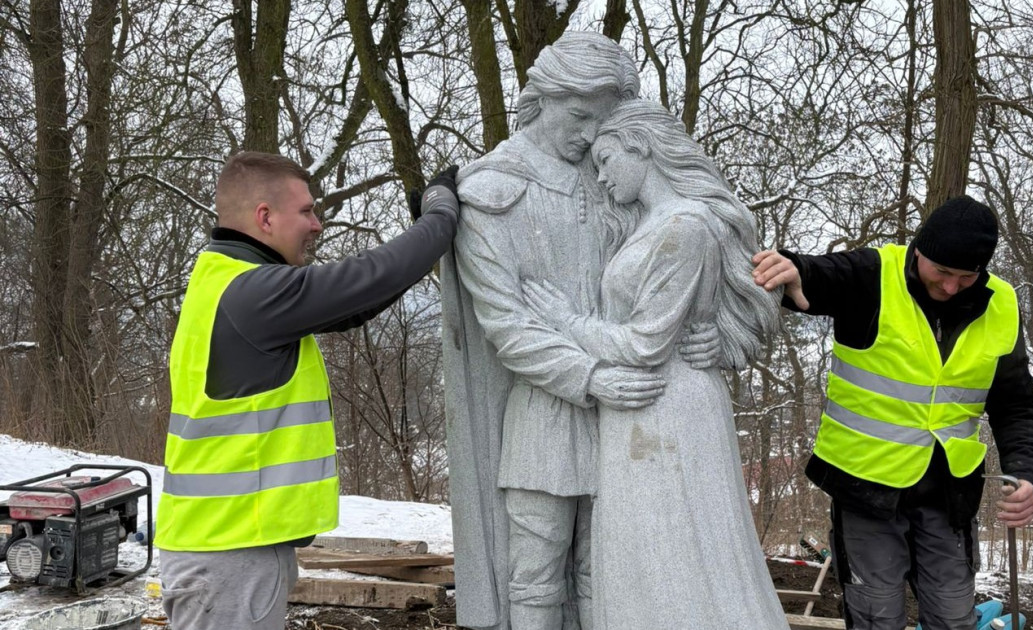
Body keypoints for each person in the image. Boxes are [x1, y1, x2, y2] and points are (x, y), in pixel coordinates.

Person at [442, 32, 717, 630]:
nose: (593, 135)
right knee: (536, 579)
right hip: (548, 412)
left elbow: (678, 268)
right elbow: (507, 327)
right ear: (542, 98)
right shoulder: (490, 194)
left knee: (614, 573)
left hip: (636, 418)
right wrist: (591, 377)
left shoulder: (618, 180)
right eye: (580, 115)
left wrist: (712, 334)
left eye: (604, 121)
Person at [156, 151, 459, 630]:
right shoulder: (251, 294)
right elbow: (369, 276)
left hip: (226, 547)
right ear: (264, 217)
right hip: (229, 556)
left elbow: (357, 303)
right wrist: (442, 214)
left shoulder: (225, 283)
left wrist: (425, 234)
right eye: (306, 211)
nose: (317, 224)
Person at [520, 100, 788, 630]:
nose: (600, 175)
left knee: (678, 548)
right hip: (642, 409)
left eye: (606, 159)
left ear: (640, 148)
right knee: (647, 549)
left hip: (669, 410)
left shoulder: (683, 227)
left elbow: (646, 345)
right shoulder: (650, 224)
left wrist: (565, 321)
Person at [751, 196, 1033, 630]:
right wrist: (795, 270)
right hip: (866, 486)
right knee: (876, 617)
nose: (950, 286)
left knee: (952, 617)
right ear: (919, 251)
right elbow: (821, 277)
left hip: (949, 492)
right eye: (941, 272)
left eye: (966, 277)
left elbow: (1015, 402)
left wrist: (1027, 474)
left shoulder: (1001, 303)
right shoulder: (874, 275)